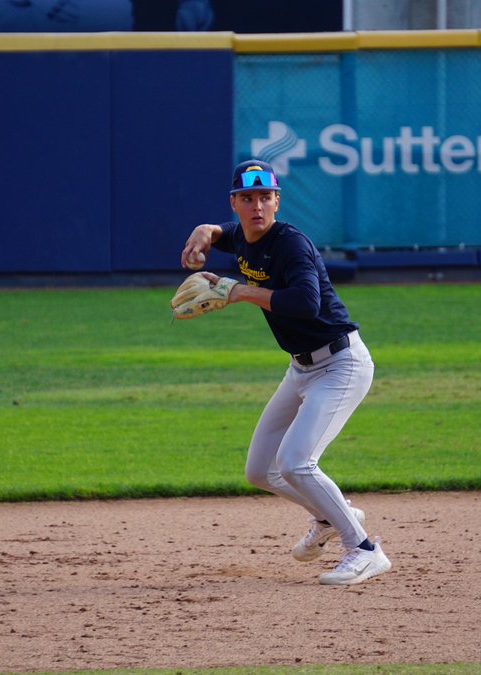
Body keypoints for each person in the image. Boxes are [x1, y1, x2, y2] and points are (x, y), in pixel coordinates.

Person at [178, 159, 391, 586]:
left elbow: (305, 305)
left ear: (277, 201)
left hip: (341, 364)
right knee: (260, 471)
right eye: (247, 198)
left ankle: (365, 550)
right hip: (300, 368)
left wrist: (239, 292)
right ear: (235, 203)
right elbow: (224, 233)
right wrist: (205, 230)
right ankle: (331, 515)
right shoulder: (243, 235)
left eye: (265, 197)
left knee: (296, 463)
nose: (257, 206)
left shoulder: (292, 245)